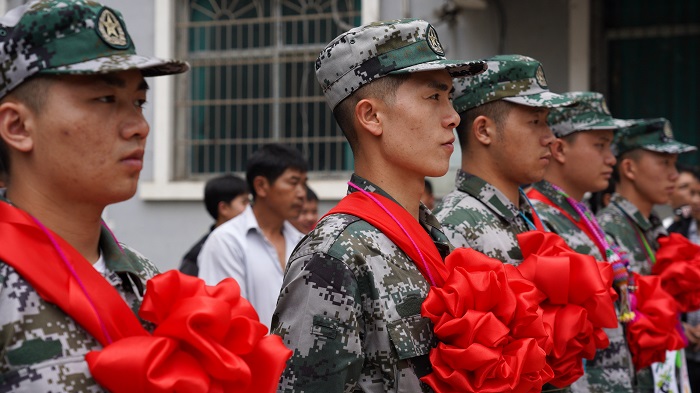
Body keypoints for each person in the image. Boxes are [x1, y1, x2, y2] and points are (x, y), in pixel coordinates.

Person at [271, 18, 486, 392]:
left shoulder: (436, 235)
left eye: (450, 97)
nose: (452, 117)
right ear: (371, 116)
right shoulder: (332, 258)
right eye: (434, 97)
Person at [0, 1, 189, 391]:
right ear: (17, 126)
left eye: (139, 102)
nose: (139, 127)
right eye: (106, 99)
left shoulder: (147, 281)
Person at [525, 91, 635, 392]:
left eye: (610, 146)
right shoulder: (537, 219)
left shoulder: (581, 214)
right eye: (600, 146)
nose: (611, 158)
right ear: (559, 149)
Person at [432, 54, 573, 265]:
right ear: (484, 130)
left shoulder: (533, 216)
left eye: (546, 121)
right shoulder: (455, 228)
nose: (550, 138)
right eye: (535, 121)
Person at [597, 117, 697, 392]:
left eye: (674, 164)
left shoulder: (653, 227)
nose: (674, 175)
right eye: (664, 163)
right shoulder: (606, 231)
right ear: (629, 168)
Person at [198, 143, 307, 327]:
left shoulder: (302, 242)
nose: (302, 193)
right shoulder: (227, 241)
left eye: (304, 183)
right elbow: (226, 319)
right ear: (261, 186)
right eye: (293, 182)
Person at [178, 174, 249, 276]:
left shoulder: (253, 241)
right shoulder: (196, 256)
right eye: (244, 202)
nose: (250, 209)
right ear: (223, 208)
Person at [664, 164, 698, 229]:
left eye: (696, 185)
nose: (693, 190)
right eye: (684, 186)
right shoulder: (666, 228)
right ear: (669, 198)